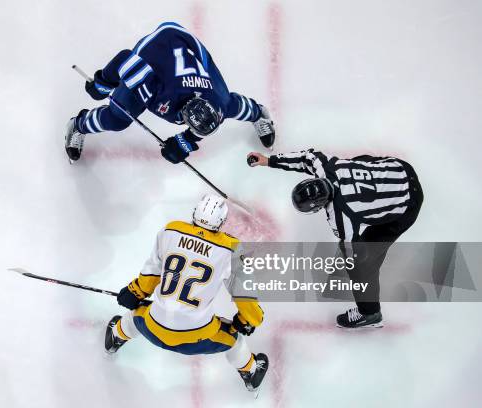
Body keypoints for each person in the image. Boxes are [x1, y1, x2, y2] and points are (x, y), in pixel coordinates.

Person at [104, 194, 269, 392]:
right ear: (222, 222)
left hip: (153, 329)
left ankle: (114, 337)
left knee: (135, 315)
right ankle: (251, 372)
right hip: (196, 339)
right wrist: (249, 319)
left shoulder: (171, 230)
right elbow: (245, 296)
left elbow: (153, 272)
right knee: (235, 340)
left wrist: (135, 292)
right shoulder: (231, 248)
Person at [247, 149, 424, 328]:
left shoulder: (340, 217)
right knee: (356, 162)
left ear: (317, 207)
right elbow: (306, 157)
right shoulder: (326, 166)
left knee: (361, 265)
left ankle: (370, 314)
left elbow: (353, 252)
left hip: (409, 204)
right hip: (401, 168)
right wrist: (268, 160)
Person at [65, 22, 275, 164]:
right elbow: (124, 59)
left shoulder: (218, 101)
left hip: (185, 48)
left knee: (231, 104)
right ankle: (78, 124)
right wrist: (103, 82)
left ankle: (259, 113)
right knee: (118, 118)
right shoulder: (155, 90)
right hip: (159, 46)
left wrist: (185, 142)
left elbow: (203, 127)